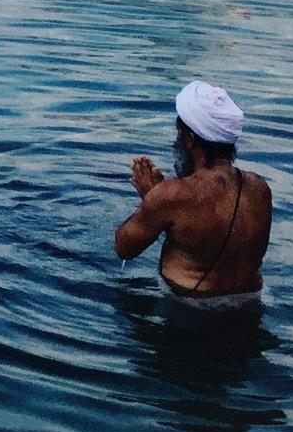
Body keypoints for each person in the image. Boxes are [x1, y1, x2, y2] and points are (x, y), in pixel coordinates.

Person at [115, 80, 273, 315]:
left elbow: (124, 247)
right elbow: (203, 237)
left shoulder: (172, 195)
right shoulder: (259, 189)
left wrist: (151, 199)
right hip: (251, 305)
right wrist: (158, 201)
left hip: (191, 310)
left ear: (188, 138)